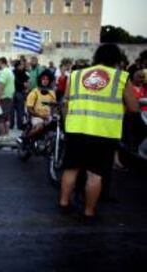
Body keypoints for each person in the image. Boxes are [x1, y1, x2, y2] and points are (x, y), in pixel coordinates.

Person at [59, 44, 138, 219]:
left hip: (76, 129)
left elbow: (66, 101)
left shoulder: (77, 75)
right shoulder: (121, 77)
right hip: (103, 133)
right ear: (117, 59)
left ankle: (64, 203)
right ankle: (88, 212)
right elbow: (133, 107)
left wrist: (67, 122)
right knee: (95, 175)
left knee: (71, 169)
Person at [24, 70, 56, 140]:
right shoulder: (34, 92)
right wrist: (41, 116)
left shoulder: (52, 93)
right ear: (40, 80)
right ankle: (25, 139)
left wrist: (53, 115)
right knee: (39, 127)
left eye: (47, 79)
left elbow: (53, 106)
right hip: (37, 117)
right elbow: (29, 109)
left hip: (48, 118)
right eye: (43, 79)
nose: (45, 81)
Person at [0, 57, 15, 138]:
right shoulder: (10, 72)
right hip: (9, 97)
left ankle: (3, 136)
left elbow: (1, 86)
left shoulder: (4, 72)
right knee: (6, 118)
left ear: (0, 62)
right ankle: (6, 135)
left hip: (3, 97)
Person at [11, 60, 29, 130]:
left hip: (16, 92)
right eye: (21, 65)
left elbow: (27, 82)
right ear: (18, 65)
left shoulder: (13, 72)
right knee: (19, 110)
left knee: (14, 110)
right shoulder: (22, 73)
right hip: (18, 92)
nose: (23, 66)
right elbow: (26, 83)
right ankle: (19, 125)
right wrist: (24, 86)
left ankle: (12, 125)